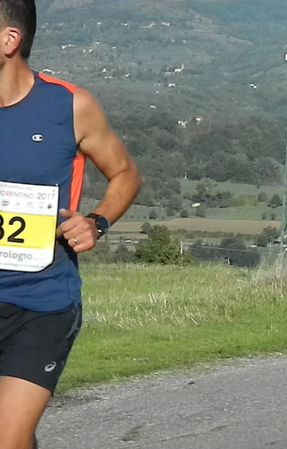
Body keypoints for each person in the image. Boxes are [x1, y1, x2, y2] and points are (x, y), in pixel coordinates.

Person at [0, 1, 141, 447]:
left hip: (39, 304)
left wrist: (97, 222)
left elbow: (125, 174)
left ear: (9, 40)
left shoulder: (69, 105)